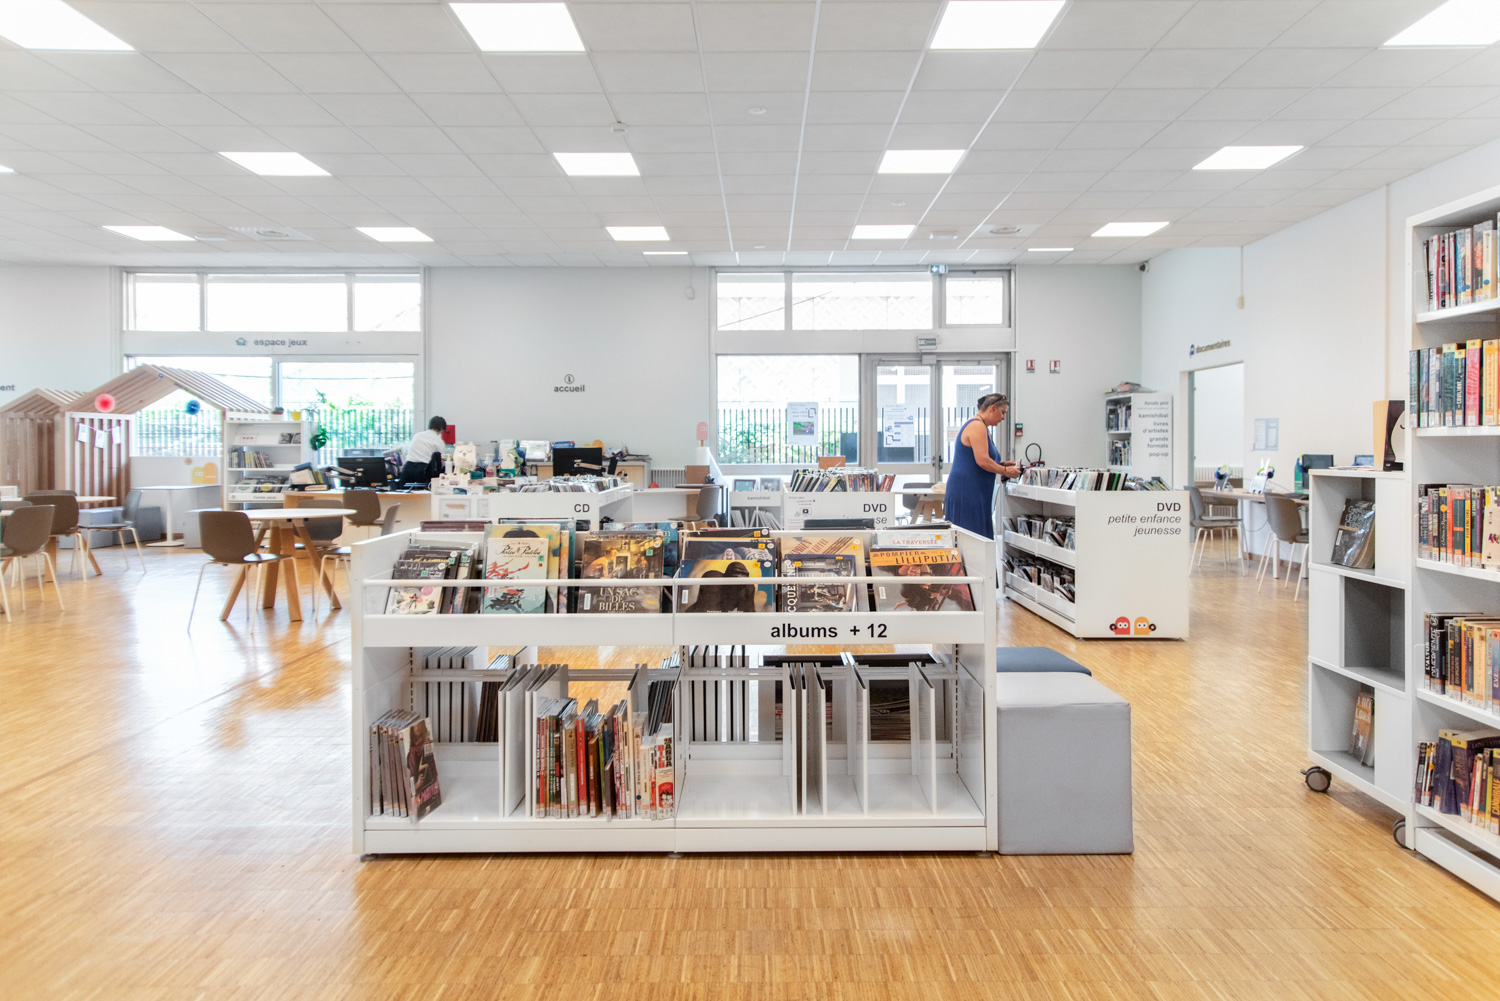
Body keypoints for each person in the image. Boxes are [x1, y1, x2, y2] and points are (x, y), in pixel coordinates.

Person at [944, 393, 1020, 539]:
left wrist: (1002, 464)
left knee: (978, 536)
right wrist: (1005, 471)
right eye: (1002, 412)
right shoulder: (976, 426)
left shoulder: (983, 427)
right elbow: (982, 461)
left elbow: (978, 460)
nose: (1003, 418)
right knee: (971, 536)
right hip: (967, 490)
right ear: (992, 408)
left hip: (977, 489)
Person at [398, 416, 448, 486]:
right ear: (441, 428)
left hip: (408, 468)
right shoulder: (438, 441)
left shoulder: (417, 436)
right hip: (423, 470)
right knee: (422, 491)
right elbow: (441, 462)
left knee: (403, 491)